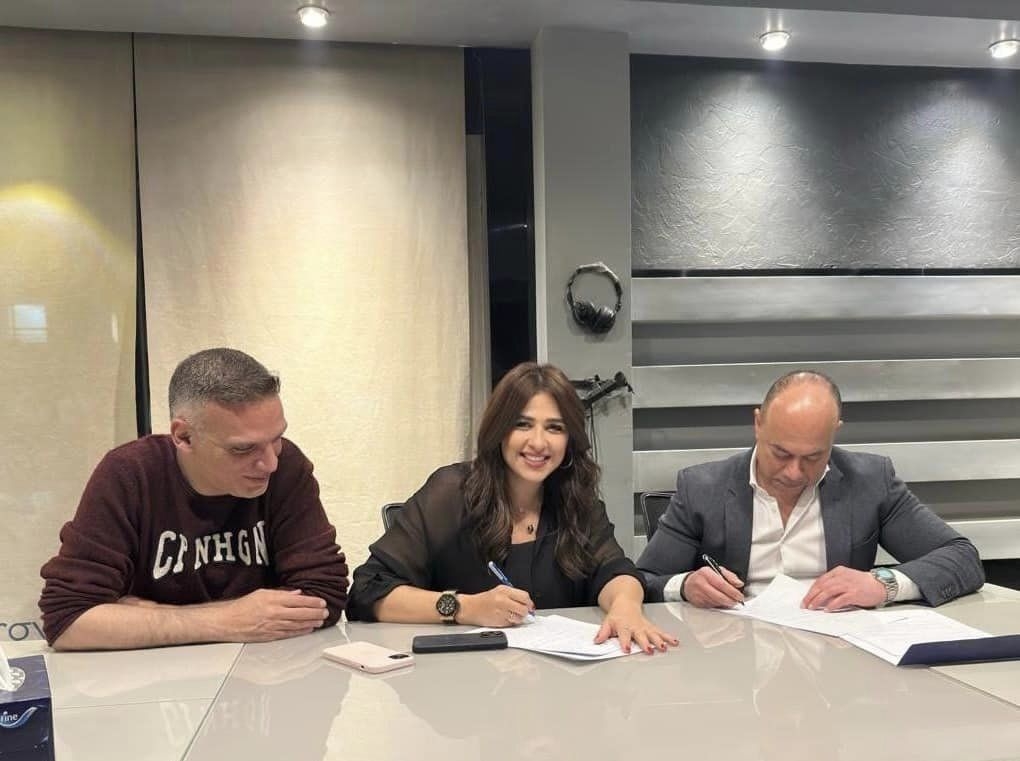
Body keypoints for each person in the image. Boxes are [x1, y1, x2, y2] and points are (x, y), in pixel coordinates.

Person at [347, 362, 677, 654]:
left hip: (560, 682)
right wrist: (465, 608)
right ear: (499, 430)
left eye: (555, 427)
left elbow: (615, 570)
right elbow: (367, 590)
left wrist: (626, 606)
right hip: (462, 683)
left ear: (570, 440)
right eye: (523, 424)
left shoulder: (575, 498)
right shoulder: (451, 493)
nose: (538, 442)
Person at [39, 348, 348, 650]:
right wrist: (224, 620)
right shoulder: (130, 473)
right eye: (242, 449)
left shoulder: (287, 466)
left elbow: (325, 595)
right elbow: (68, 620)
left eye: (277, 438)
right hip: (153, 677)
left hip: (261, 669)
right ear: (184, 437)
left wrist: (151, 617)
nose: (270, 463)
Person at [637, 370, 984, 610]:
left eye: (813, 457)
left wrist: (883, 584)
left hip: (838, 653)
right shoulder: (702, 488)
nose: (793, 472)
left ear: (835, 433)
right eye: (781, 453)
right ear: (758, 424)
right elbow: (644, 580)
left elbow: (962, 558)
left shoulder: (870, 481)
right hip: (735, 654)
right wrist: (685, 585)